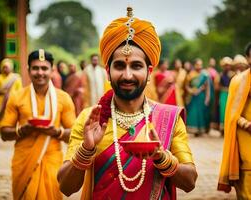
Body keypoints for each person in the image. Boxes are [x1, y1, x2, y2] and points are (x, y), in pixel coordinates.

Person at [58, 7, 197, 199]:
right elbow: (66, 187)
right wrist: (86, 150)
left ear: (149, 72)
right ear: (108, 71)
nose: (128, 75)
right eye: (120, 66)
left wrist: (161, 157)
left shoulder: (168, 119)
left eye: (136, 66)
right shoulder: (91, 119)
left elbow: (189, 182)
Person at [0, 49, 76, 200]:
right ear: (28, 70)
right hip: (24, 159)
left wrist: (57, 132)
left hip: (51, 159)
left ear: (52, 70)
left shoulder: (64, 98)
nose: (40, 73)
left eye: (44, 68)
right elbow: (4, 133)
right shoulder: (17, 97)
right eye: (35, 68)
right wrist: (22, 130)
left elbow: (74, 135)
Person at [218, 42, 251, 199]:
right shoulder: (239, 81)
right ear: (247, 58)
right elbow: (232, 112)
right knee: (248, 167)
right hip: (245, 131)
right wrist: (246, 124)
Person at [0, 58, 22, 132]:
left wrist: (11, 95)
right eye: (4, 67)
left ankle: (11, 131)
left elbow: (20, 91)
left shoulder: (16, 78)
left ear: (11, 68)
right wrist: (4, 93)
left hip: (12, 101)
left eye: (7, 67)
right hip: (0, 102)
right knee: (0, 117)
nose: (5, 69)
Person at [185, 58, 211, 136]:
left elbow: (207, 88)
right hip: (193, 97)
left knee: (201, 113)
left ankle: (201, 130)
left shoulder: (205, 75)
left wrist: (207, 98)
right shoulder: (190, 74)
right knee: (193, 112)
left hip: (201, 97)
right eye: (197, 64)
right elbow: (186, 86)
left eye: (200, 64)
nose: (199, 66)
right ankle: (194, 130)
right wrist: (191, 91)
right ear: (194, 65)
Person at [218, 57, 234, 133]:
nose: (227, 67)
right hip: (223, 94)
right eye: (225, 65)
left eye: (228, 65)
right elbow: (218, 86)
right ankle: (223, 128)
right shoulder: (220, 75)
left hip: (231, 93)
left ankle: (229, 127)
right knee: (223, 110)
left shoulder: (233, 75)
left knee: (230, 110)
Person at [207, 58, 220, 130]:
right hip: (207, 92)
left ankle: (213, 125)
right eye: (211, 62)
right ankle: (207, 125)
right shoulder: (206, 71)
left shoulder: (216, 72)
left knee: (213, 108)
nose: (212, 63)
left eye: (213, 62)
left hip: (214, 92)